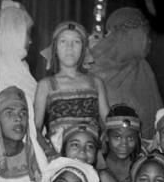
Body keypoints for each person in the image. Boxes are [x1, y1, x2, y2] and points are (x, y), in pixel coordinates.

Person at [34, 21, 110, 156]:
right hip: (59, 155)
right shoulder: (46, 85)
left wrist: (100, 146)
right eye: (63, 41)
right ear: (55, 48)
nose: (69, 47)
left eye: (76, 42)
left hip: (90, 155)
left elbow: (108, 123)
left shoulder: (95, 82)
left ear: (84, 49)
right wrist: (49, 152)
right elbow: (35, 128)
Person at [88, 6, 163, 141]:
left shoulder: (143, 68)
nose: (147, 40)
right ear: (127, 34)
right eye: (142, 33)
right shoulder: (93, 65)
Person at [0, 0, 38, 106]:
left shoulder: (22, 66)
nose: (30, 41)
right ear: (15, 33)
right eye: (28, 34)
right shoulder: (0, 67)